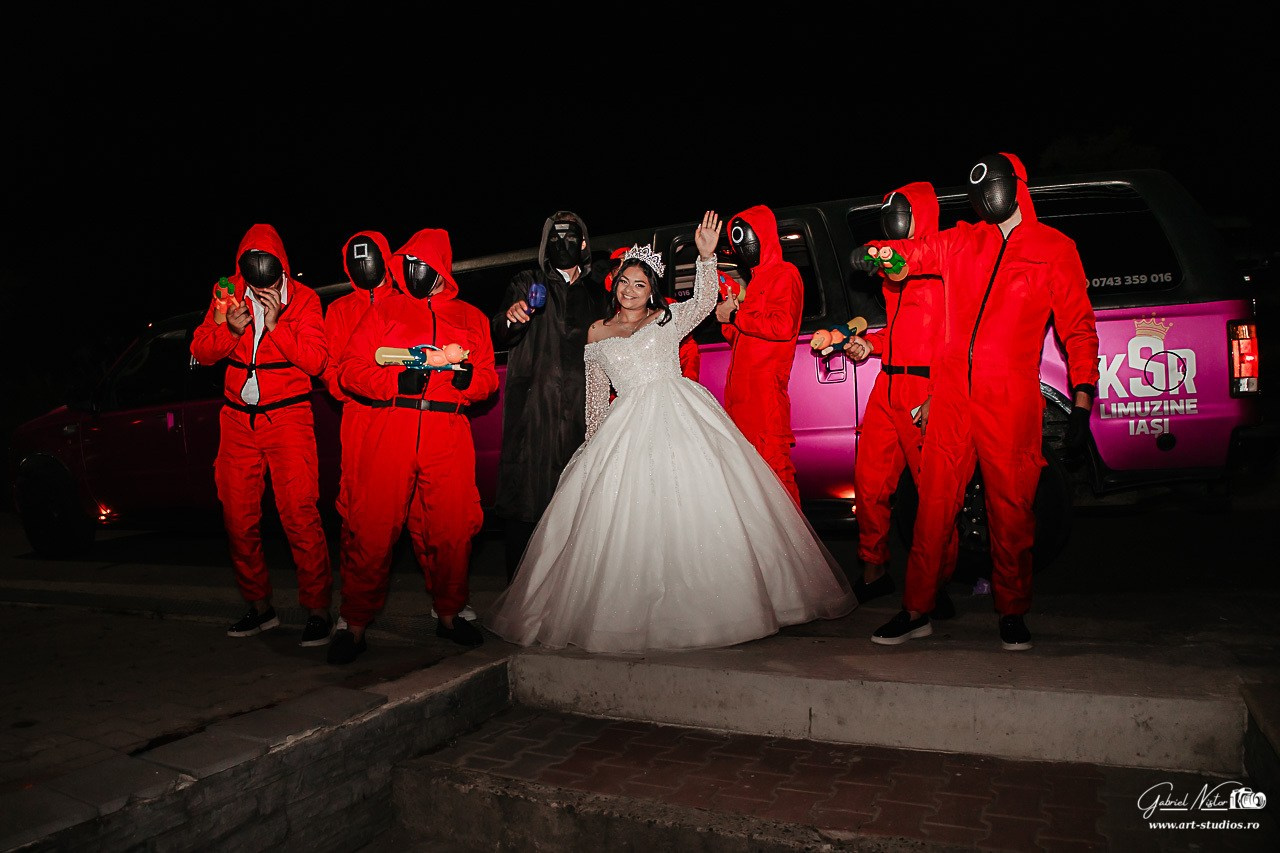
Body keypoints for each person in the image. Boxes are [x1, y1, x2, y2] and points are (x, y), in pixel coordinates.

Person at [486, 212, 857, 654]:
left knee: (694, 507)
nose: (630, 290)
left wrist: (705, 258)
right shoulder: (595, 334)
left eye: (640, 285)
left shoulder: (666, 321)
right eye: (624, 282)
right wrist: (592, 449)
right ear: (615, 285)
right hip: (625, 429)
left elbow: (703, 302)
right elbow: (595, 398)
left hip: (678, 418)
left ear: (652, 293)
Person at [862, 153, 1099, 650]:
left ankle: (1012, 611)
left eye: (993, 184)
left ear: (1017, 186)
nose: (984, 194)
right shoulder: (964, 240)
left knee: (1011, 507)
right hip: (951, 394)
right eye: (977, 188)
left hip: (1008, 397)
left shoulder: (1053, 248)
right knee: (933, 506)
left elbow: (1078, 330)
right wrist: (882, 256)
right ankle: (916, 608)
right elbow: (914, 255)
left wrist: (1082, 398)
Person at [329, 227, 499, 663]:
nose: (412, 271)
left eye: (421, 264)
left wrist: (467, 381)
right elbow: (349, 370)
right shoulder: (386, 310)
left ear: (440, 267)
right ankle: (355, 621)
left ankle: (450, 613)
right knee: (373, 526)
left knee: (454, 529)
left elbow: (487, 381)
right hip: (392, 423)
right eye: (407, 264)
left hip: (448, 430)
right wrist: (392, 380)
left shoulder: (471, 317)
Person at [189, 223, 334, 646]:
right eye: (251, 276)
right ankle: (259, 607)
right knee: (238, 518)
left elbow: (317, 361)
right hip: (236, 419)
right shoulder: (227, 294)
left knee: (300, 515)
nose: (257, 283)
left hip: (287, 417)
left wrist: (275, 325)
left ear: (281, 269)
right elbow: (200, 351)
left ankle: (318, 610)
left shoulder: (304, 300)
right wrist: (230, 330)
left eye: (266, 276)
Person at [842, 182, 959, 617]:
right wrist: (868, 345)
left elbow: (952, 339)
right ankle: (874, 570)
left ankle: (937, 584)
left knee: (934, 493)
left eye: (903, 211)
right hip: (887, 384)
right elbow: (899, 333)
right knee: (869, 483)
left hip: (925, 389)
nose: (895, 217)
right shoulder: (896, 272)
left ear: (919, 214)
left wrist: (938, 394)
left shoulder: (942, 265)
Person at [489, 211, 608, 582]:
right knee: (526, 501)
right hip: (533, 411)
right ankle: (519, 598)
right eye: (554, 239)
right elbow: (500, 331)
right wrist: (512, 317)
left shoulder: (596, 295)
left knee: (575, 505)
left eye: (570, 238)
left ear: (584, 243)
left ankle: (567, 596)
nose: (562, 245)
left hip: (581, 414)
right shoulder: (527, 282)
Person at [714, 204, 803, 506]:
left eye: (746, 237)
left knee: (776, 475)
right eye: (737, 241)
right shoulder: (754, 282)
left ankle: (797, 552)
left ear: (763, 235)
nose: (743, 246)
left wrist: (737, 317)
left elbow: (782, 326)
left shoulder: (784, 274)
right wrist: (727, 319)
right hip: (741, 395)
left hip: (765, 396)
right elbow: (745, 337)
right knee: (751, 480)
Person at [605, 245, 701, 382]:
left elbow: (687, 350)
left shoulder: (666, 309)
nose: (623, 269)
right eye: (618, 267)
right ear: (611, 276)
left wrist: (684, 387)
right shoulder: (604, 315)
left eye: (627, 263)